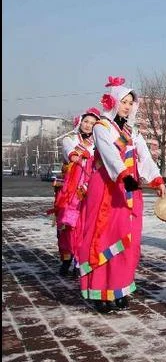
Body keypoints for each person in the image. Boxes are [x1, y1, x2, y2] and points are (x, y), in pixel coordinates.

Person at [77, 77, 165, 313]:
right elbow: (109, 156)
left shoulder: (132, 131)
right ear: (112, 101)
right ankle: (99, 291)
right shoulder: (101, 127)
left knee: (130, 238)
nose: (127, 106)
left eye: (130, 102)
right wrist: (125, 176)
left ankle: (121, 287)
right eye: (123, 101)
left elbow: (144, 157)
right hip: (108, 189)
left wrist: (155, 178)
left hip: (129, 188)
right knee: (104, 235)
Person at [53, 108, 101, 277]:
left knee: (85, 225)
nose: (88, 125)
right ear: (80, 122)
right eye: (86, 121)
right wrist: (79, 154)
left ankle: (80, 261)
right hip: (70, 191)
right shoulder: (70, 139)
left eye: (92, 123)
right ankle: (66, 258)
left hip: (91, 188)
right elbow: (71, 154)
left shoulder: (99, 143)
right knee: (67, 224)